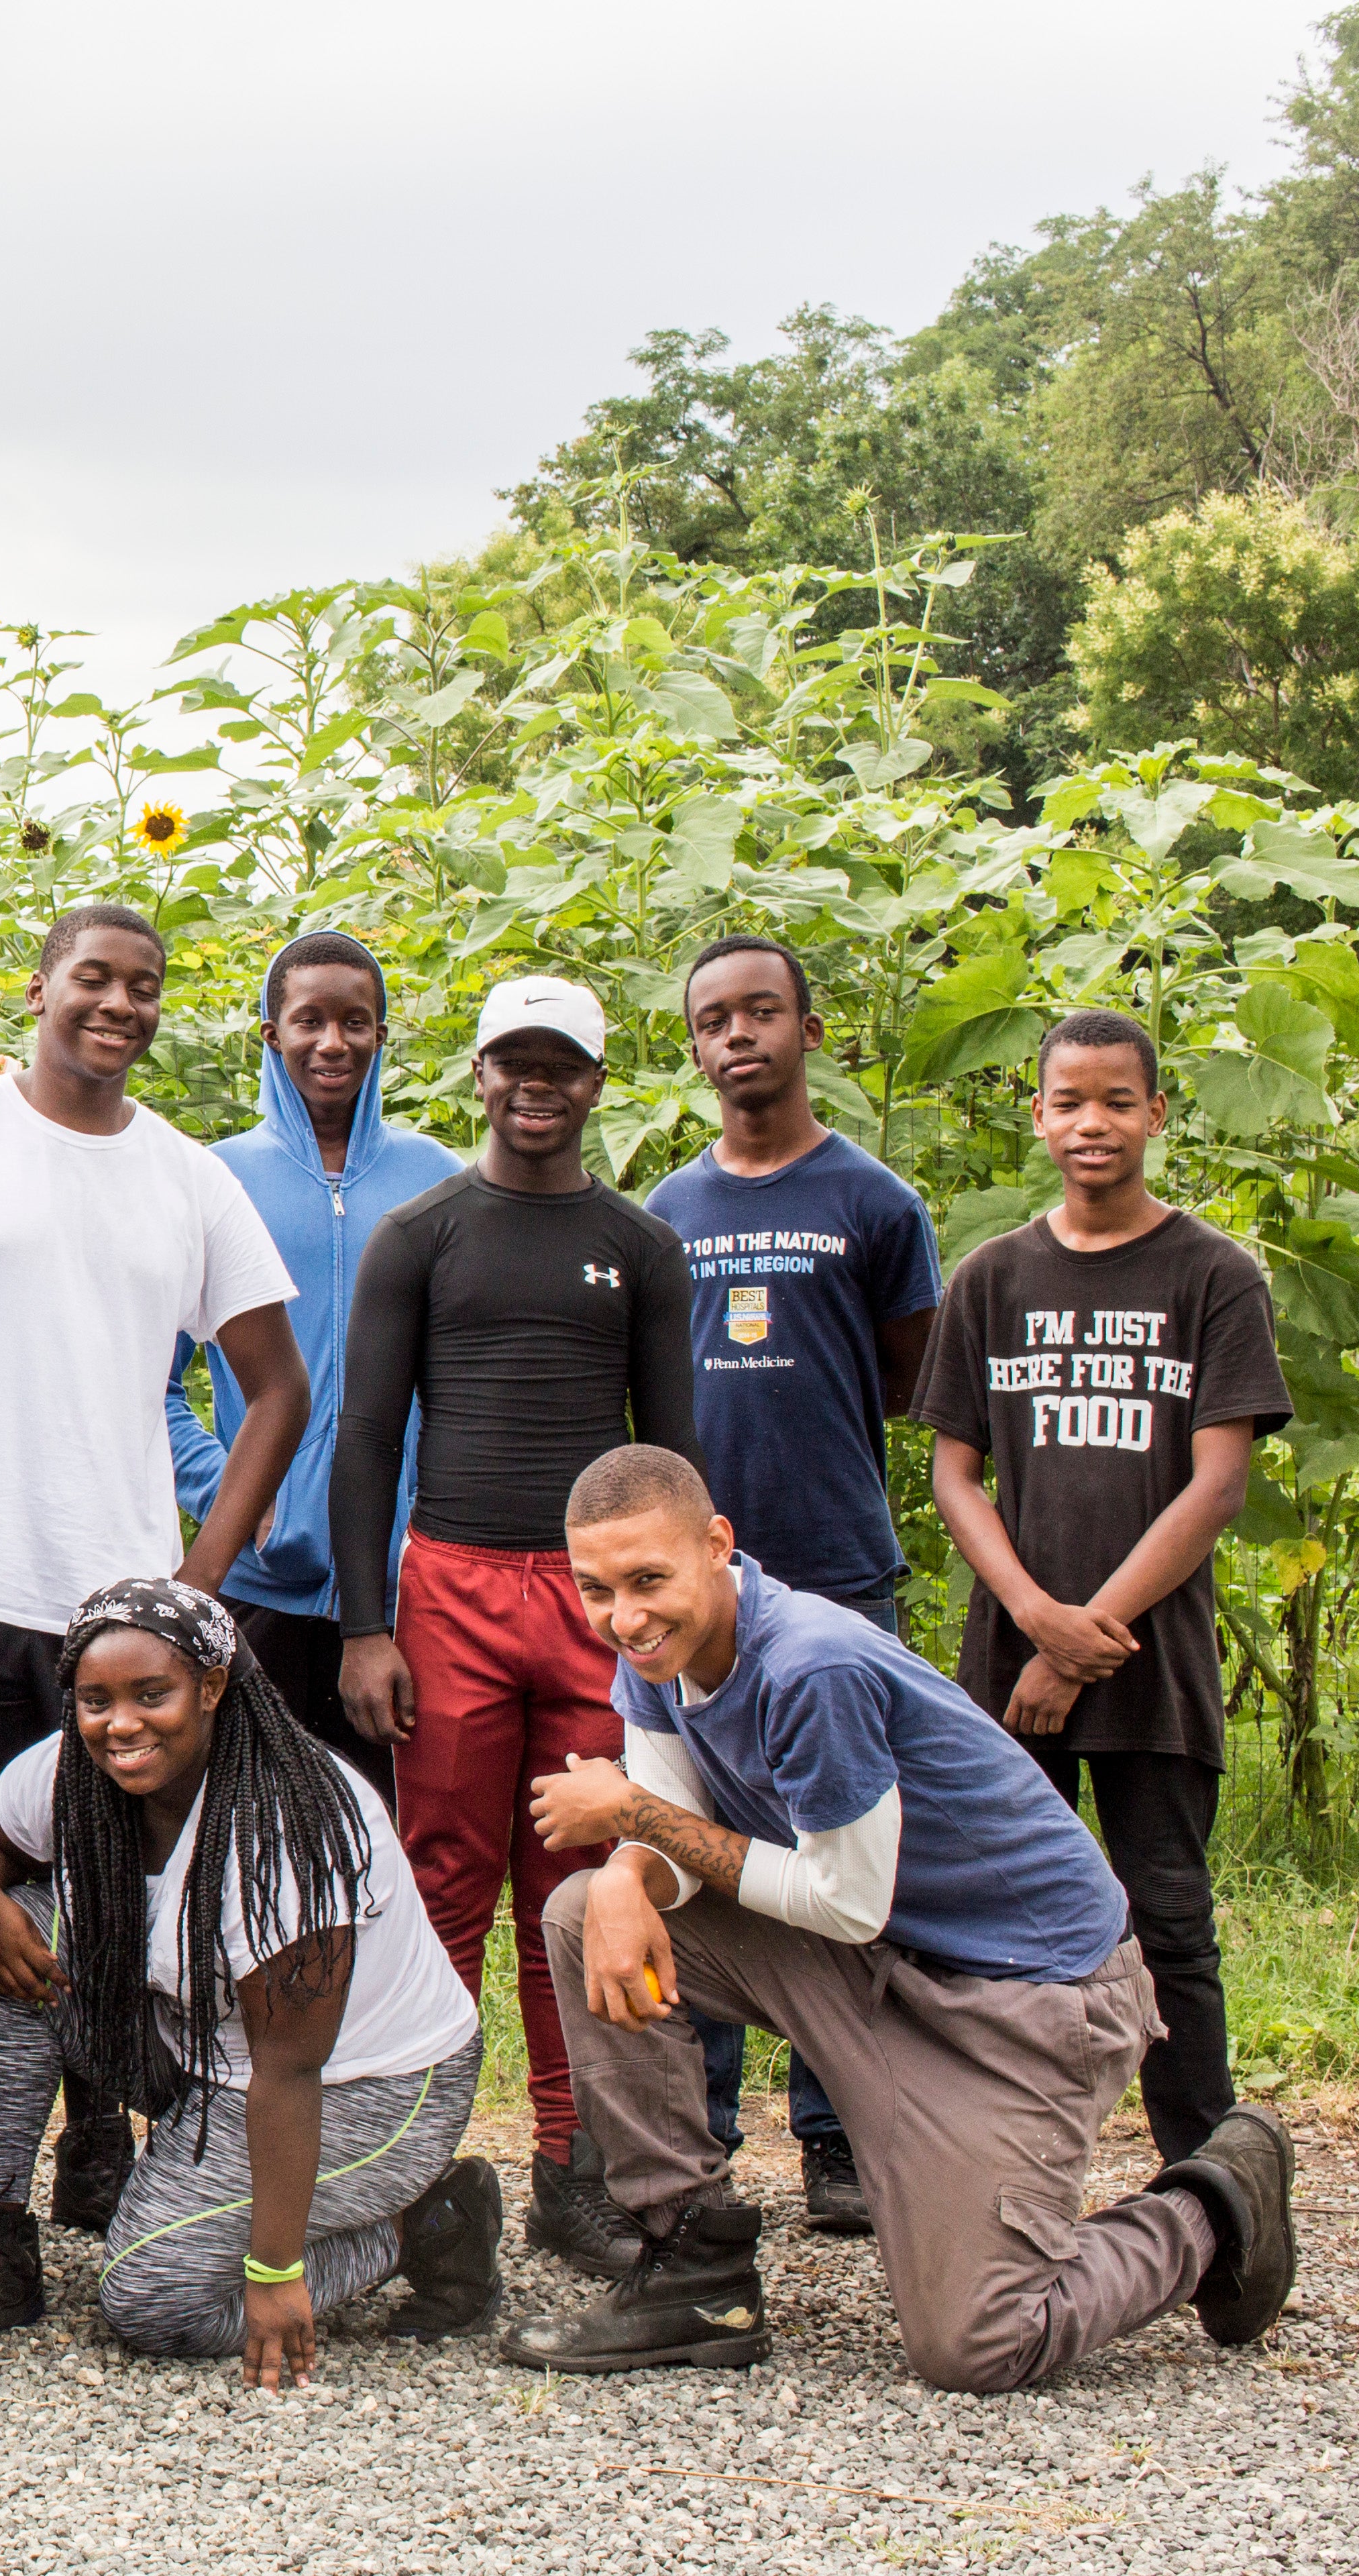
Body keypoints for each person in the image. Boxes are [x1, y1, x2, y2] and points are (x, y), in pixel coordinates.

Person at [503, 1446, 1294, 2387]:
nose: (624, 1617)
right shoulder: (657, 1654)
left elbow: (845, 1899)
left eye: (647, 1580)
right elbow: (678, 1824)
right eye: (596, 1589)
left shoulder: (810, 1667)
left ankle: (1216, 2203)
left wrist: (631, 1817)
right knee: (585, 1907)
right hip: (878, 1958)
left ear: (718, 1546)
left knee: (978, 2344)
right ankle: (694, 2269)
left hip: (1029, 1998)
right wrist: (631, 1870)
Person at [0, 901, 304, 2227]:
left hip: (116, 1624)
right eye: (95, 979)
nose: (119, 1005)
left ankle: (99, 2138)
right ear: (38, 986)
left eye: (145, 987)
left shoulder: (186, 1177)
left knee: (110, 1891)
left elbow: (275, 1387)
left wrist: (199, 1588)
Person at [328, 969, 694, 2278]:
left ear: (597, 1081)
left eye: (563, 1069)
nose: (536, 1089)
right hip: (456, 1590)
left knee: (587, 1883)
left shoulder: (641, 1246)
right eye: (514, 1066)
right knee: (441, 1887)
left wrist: (676, 1623)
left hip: (599, 1604)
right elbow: (368, 1433)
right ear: (479, 1073)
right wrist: (366, 1625)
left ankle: (574, 2168)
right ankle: (417, 2171)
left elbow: (675, 1452)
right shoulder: (423, 1236)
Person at [0, 1577, 497, 2361]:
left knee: (154, 2307)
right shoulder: (77, 1768)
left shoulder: (288, 1822)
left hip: (364, 2086)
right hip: (199, 2047)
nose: (121, 1724)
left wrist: (276, 2268)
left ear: (212, 1686)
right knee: (13, 1936)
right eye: (97, 1700)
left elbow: (290, 2070)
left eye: (152, 1694)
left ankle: (424, 2222)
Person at [920, 1008, 1289, 2171]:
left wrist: (1084, 1636)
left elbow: (1216, 1486)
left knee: (1170, 1921)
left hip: (1150, 1670)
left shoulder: (1214, 1275)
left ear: (1157, 1115)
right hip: (1009, 1669)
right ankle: (1000, 2167)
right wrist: (1033, 1618)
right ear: (1037, 1115)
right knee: (995, 1928)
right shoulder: (993, 1277)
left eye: (1118, 1102)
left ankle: (1209, 2183)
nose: (1093, 1124)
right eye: (1069, 1101)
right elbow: (954, 1473)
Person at [647, 932, 941, 2231]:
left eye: (763, 1012)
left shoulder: (874, 1203)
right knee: (693, 1845)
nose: (738, 1036)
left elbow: (907, 1373)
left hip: (835, 1580)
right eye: (715, 1018)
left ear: (809, 1031)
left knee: (840, 1854)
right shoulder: (666, 1212)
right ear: (696, 1043)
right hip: (701, 1594)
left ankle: (835, 2139)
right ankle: (700, 2135)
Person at [164, 930, 461, 1803]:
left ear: (379, 1035)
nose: (333, 1043)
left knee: (390, 1843)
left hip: (408, 1588)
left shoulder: (436, 1181)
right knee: (252, 1835)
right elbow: (154, 1387)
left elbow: (461, 1379)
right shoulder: (217, 1181)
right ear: (270, 1033)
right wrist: (229, 1493)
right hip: (264, 1586)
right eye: (310, 1021)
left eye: (355, 1022)